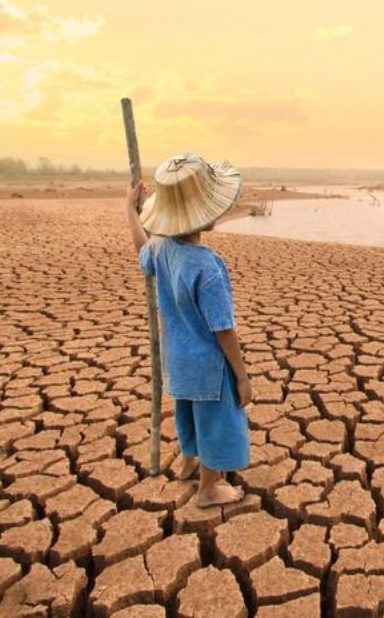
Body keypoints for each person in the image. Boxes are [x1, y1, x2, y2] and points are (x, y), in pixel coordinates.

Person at [125, 153, 252, 507]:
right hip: (208, 366)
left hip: (176, 359)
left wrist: (131, 214)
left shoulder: (162, 248)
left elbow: (141, 250)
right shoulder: (207, 266)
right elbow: (223, 329)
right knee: (214, 422)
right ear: (208, 214)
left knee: (187, 414)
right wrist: (241, 376)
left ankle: (187, 461)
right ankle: (208, 488)